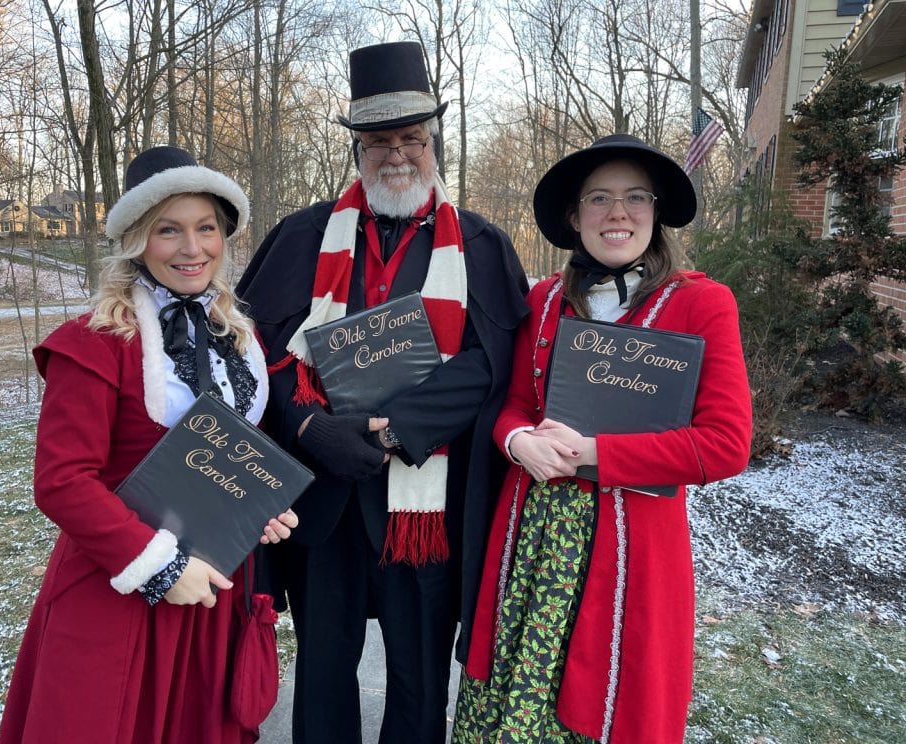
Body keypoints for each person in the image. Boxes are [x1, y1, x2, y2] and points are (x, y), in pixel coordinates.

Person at [237, 41, 529, 744]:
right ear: (357, 149)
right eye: (378, 141)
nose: (396, 154)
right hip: (324, 497)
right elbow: (258, 349)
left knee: (420, 676)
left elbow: (491, 364)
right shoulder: (304, 236)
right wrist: (310, 427)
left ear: (433, 144)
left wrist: (395, 428)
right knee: (323, 669)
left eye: (411, 138)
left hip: (423, 507)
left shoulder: (479, 245)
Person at [453, 134, 753, 743]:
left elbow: (725, 443)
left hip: (631, 545)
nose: (618, 213)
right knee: (519, 690)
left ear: (656, 211)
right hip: (534, 537)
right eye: (599, 198)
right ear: (574, 216)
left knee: (610, 695)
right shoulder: (545, 300)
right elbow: (514, 404)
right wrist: (517, 441)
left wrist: (594, 454)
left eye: (635, 197)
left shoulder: (702, 303)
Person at [0, 146, 299, 744]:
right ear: (137, 240)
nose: (192, 248)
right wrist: (161, 568)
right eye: (168, 230)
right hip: (121, 587)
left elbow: (240, 452)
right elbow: (62, 482)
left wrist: (259, 507)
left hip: (212, 591)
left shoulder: (239, 338)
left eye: (206, 228)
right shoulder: (94, 342)